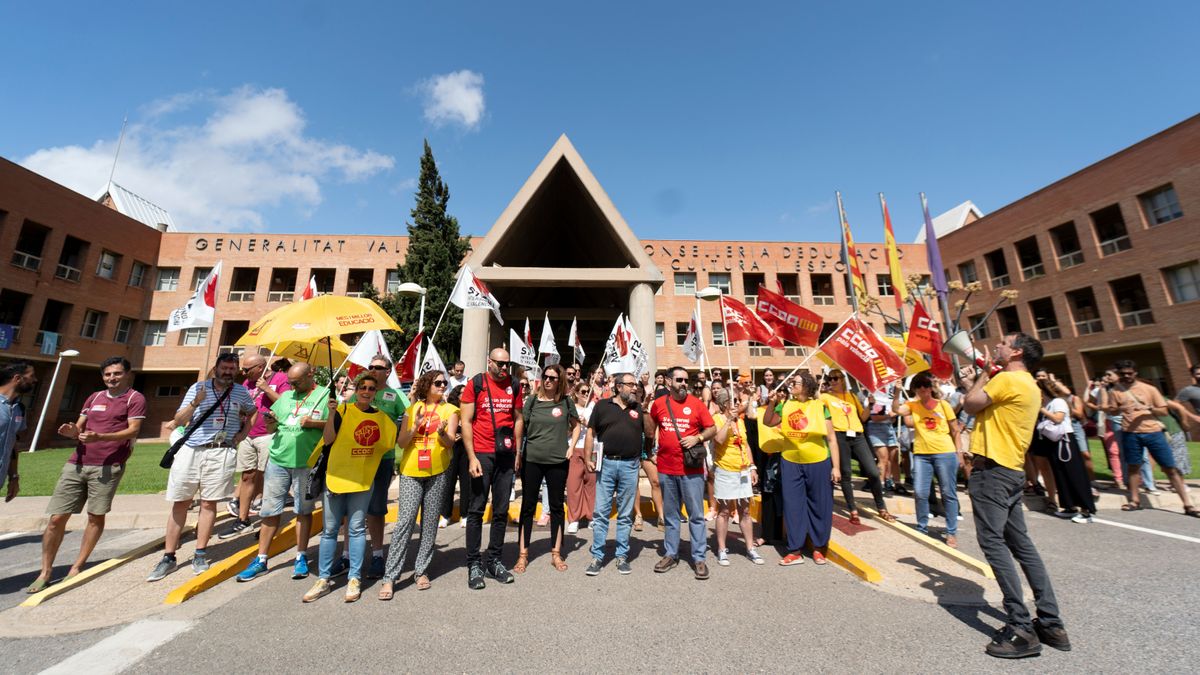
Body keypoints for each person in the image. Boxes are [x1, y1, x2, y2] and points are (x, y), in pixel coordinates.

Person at [962, 332, 1070, 658]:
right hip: (1010, 471)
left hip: (992, 471)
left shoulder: (1007, 379)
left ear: (1016, 352)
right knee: (1022, 545)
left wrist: (984, 372)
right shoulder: (1029, 385)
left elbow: (969, 403)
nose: (997, 345)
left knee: (993, 543)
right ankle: (1051, 622)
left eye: (1004, 343)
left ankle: (1021, 627)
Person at [24, 358, 144, 592]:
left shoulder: (134, 398)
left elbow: (133, 430)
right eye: (108, 374)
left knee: (94, 516)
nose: (112, 378)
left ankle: (77, 567)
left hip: (108, 465)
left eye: (117, 374)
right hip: (77, 463)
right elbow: (79, 427)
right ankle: (45, 571)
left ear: (127, 374)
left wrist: (100, 437)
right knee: (56, 518)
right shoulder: (94, 397)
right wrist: (72, 431)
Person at [148, 353, 256, 581]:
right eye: (224, 367)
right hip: (192, 449)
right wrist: (197, 402)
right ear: (216, 368)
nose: (227, 372)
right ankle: (169, 556)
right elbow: (178, 419)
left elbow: (252, 411)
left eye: (232, 368)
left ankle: (200, 553)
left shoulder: (240, 392)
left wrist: (242, 434)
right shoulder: (198, 387)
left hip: (221, 449)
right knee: (181, 502)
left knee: (209, 503)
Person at [303, 373, 398, 603]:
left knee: (356, 529)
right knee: (330, 530)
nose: (366, 391)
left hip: (362, 479)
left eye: (371, 388)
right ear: (355, 389)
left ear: (376, 392)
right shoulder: (342, 410)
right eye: (362, 387)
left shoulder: (383, 418)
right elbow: (327, 439)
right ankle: (323, 579)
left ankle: (354, 578)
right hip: (335, 477)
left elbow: (387, 443)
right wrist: (333, 413)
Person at [235, 363, 328, 582]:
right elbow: (270, 429)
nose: (293, 386)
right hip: (278, 460)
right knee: (269, 511)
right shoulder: (286, 397)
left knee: (303, 511)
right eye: (291, 382)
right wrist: (271, 422)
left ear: (310, 374)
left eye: (297, 382)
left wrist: (314, 423)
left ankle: (301, 556)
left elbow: (335, 425)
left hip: (306, 462)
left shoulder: (325, 394)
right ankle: (261, 559)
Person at [377, 370, 459, 597]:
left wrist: (441, 432)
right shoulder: (411, 410)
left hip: (438, 471)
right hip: (411, 471)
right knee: (405, 522)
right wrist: (415, 426)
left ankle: (421, 570)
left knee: (430, 523)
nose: (443, 386)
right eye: (438, 383)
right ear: (426, 385)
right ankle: (390, 578)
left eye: (445, 383)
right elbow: (402, 443)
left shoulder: (451, 410)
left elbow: (450, 443)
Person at [460, 348, 524, 590]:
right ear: (490, 362)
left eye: (507, 364)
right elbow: (466, 421)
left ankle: (494, 560)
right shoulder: (476, 383)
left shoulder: (515, 385)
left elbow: (518, 418)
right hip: (482, 454)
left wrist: (517, 452)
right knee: (476, 510)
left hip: (506, 455)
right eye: (499, 363)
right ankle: (474, 563)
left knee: (501, 510)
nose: (504, 368)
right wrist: (471, 457)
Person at [762, 373, 840, 566]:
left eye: (795, 382)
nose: (791, 385)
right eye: (791, 382)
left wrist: (836, 467)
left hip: (819, 461)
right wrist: (771, 403)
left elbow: (831, 438)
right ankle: (794, 550)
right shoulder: (786, 404)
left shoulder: (820, 407)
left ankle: (818, 548)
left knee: (820, 505)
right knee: (793, 505)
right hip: (790, 461)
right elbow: (768, 422)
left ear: (806, 386)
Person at [645, 366, 716, 580]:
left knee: (695, 515)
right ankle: (670, 553)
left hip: (691, 469)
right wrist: (651, 453)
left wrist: (698, 438)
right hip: (666, 468)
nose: (684, 384)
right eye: (679, 380)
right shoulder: (659, 404)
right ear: (668, 382)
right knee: (671, 515)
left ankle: (699, 557)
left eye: (686, 380)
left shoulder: (696, 404)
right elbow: (650, 430)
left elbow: (711, 428)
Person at [1101, 359, 1198, 516]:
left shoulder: (1149, 389)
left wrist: (1148, 408)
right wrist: (1113, 404)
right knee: (1133, 467)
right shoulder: (1115, 392)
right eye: (1123, 374)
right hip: (1130, 433)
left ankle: (1188, 505)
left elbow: (1164, 411)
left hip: (1153, 432)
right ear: (1119, 374)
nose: (1126, 376)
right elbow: (1112, 411)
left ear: (1135, 373)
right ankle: (1134, 500)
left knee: (1169, 468)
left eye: (1129, 373)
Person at [514, 363, 579, 573]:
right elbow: (520, 425)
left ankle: (556, 553)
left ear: (559, 381)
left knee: (557, 507)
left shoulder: (566, 402)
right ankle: (523, 555)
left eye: (553, 377)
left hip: (558, 461)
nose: (548, 380)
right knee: (528, 507)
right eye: (546, 376)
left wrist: (571, 447)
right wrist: (517, 453)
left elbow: (576, 425)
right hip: (532, 459)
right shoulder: (532, 400)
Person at [221, 353, 289, 539]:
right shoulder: (246, 385)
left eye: (247, 369)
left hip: (270, 435)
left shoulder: (280, 379)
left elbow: (287, 405)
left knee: (268, 478)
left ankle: (268, 522)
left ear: (260, 367)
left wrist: (266, 389)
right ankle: (243, 520)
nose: (243, 372)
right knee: (247, 476)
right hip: (248, 435)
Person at [585, 372, 644, 575]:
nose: (634, 388)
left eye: (635, 385)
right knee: (601, 512)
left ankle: (621, 556)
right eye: (630, 385)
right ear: (619, 387)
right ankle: (598, 557)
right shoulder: (602, 406)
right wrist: (587, 458)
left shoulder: (638, 408)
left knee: (625, 514)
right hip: (606, 464)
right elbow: (591, 432)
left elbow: (650, 432)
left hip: (630, 466)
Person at [893, 372, 961, 547]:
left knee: (948, 493)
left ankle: (951, 532)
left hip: (945, 453)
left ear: (931, 388)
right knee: (921, 492)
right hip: (922, 454)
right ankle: (922, 527)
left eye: (926, 385)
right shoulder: (912, 405)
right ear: (915, 389)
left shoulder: (943, 405)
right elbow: (896, 410)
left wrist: (959, 453)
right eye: (919, 386)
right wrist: (896, 392)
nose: (923, 389)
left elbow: (955, 430)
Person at [822, 370, 893, 525]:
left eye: (836, 378)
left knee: (873, 472)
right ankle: (852, 509)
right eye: (830, 379)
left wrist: (871, 404)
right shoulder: (825, 397)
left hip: (858, 435)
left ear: (842, 380)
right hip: (839, 435)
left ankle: (881, 507)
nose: (832, 381)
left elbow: (863, 417)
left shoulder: (852, 396)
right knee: (846, 473)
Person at [364, 356, 409, 578]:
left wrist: (400, 439)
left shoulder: (396, 395)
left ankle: (378, 554)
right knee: (351, 510)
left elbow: (410, 417)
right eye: (370, 367)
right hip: (356, 459)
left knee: (376, 508)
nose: (373, 370)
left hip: (383, 458)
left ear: (388, 371)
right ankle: (346, 556)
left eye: (378, 368)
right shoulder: (361, 391)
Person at [710, 388, 764, 565]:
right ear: (726, 403)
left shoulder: (740, 421)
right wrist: (728, 420)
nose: (738, 404)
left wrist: (753, 467)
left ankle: (750, 548)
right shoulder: (717, 419)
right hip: (725, 470)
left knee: (745, 510)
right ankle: (721, 549)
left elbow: (746, 445)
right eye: (734, 400)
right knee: (724, 511)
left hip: (743, 470)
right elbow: (718, 439)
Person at [1033, 376, 1096, 523]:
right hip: (1053, 442)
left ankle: (1086, 510)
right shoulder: (1047, 404)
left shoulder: (1058, 402)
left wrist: (1040, 409)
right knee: (1060, 474)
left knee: (1074, 474)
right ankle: (1069, 507)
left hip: (1065, 441)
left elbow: (1058, 419)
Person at [1, 362, 37, 503]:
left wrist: (14, 476)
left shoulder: (19, 408)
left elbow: (12, 444)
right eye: (31, 376)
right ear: (17, 378)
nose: (35, 380)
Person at [566, 382, 596, 534]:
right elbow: (564, 432)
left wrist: (588, 423)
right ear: (576, 393)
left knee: (591, 484)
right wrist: (575, 426)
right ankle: (574, 519)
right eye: (583, 392)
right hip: (574, 447)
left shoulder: (594, 408)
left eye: (587, 392)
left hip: (592, 449)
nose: (586, 394)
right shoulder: (570, 408)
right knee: (573, 485)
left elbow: (600, 430)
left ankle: (591, 517)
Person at [439, 384, 471, 529]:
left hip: (466, 450)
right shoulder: (449, 409)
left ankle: (465, 515)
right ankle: (446, 515)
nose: (464, 395)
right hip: (451, 449)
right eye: (461, 393)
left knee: (466, 483)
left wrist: (463, 434)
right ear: (456, 395)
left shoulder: (471, 408)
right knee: (448, 483)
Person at [867, 390, 907, 495]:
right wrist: (890, 415)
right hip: (876, 429)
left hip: (889, 427)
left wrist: (892, 416)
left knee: (894, 457)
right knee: (883, 458)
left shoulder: (890, 393)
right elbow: (875, 417)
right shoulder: (876, 394)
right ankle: (880, 485)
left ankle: (897, 483)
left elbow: (895, 412)